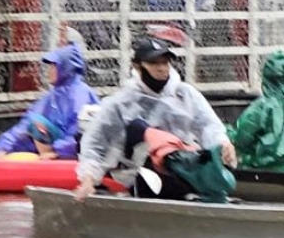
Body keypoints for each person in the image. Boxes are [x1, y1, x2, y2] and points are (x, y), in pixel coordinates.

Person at [74, 36, 237, 201]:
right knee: (138, 128)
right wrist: (88, 178)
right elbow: (96, 143)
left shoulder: (184, 94)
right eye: (154, 63)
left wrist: (222, 143)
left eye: (165, 62)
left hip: (182, 167)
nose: (161, 68)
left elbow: (208, 125)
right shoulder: (121, 102)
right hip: (140, 174)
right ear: (137, 67)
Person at [0, 43, 98, 160]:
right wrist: (4, 147)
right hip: (53, 147)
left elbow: (81, 134)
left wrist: (59, 151)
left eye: (54, 67)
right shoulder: (52, 96)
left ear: (65, 68)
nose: (49, 71)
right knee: (37, 122)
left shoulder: (80, 95)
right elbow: (27, 123)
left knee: (39, 123)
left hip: (76, 153)